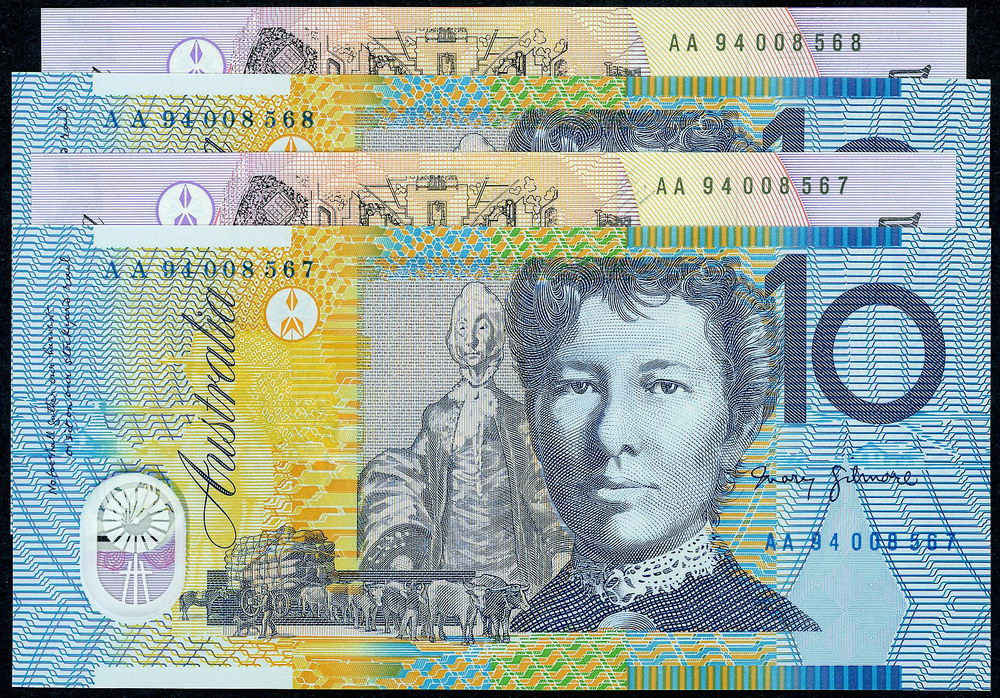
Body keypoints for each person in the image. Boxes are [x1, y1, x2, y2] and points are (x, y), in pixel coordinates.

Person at [504, 256, 820, 632]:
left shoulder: (781, 634)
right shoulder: (516, 637)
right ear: (535, 421)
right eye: (579, 387)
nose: (610, 435)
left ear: (737, 428)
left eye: (665, 387)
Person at [358, 283, 570, 590]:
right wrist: (401, 547)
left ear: (497, 336)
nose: (470, 340)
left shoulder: (516, 416)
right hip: (450, 571)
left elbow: (540, 489)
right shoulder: (438, 416)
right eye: (462, 328)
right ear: (453, 338)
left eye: (481, 327)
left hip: (512, 570)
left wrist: (560, 549)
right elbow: (411, 477)